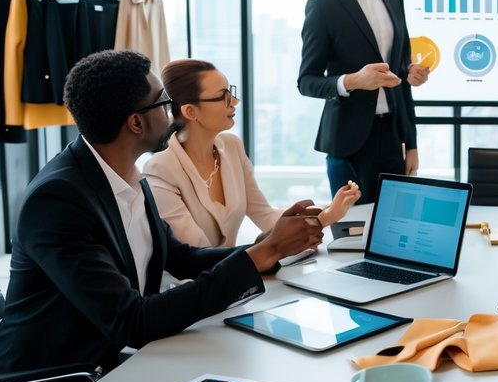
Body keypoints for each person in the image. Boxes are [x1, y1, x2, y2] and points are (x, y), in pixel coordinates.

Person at [0, 49, 326, 382]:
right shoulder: (57, 200)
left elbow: (180, 256)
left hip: (107, 369)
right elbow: (131, 320)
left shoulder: (127, 174)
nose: (171, 110)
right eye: (162, 102)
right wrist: (263, 252)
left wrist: (268, 254)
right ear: (136, 122)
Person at [144, 58, 360, 247]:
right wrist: (265, 251)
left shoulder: (231, 147)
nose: (235, 102)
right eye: (223, 96)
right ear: (190, 111)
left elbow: (265, 216)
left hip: (232, 280)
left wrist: (328, 215)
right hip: (190, 287)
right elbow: (196, 252)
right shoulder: (161, 169)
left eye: (231, 92)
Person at [298, 0, 430, 203]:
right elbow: (307, 81)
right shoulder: (323, 5)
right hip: (348, 146)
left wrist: (411, 143)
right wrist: (353, 81)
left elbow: (401, 73)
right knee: (351, 236)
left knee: (393, 229)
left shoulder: (394, 1)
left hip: (392, 139)